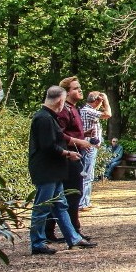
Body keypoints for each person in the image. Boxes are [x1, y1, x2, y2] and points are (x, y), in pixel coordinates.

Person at [27, 86, 94, 254]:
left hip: (54, 169)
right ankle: (37, 242)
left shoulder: (49, 117)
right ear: (59, 101)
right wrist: (68, 153)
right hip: (46, 169)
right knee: (42, 207)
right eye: (64, 102)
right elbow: (48, 146)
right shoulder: (43, 118)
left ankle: (73, 238)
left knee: (60, 205)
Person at [46, 77, 94, 243]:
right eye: (75, 88)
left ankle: (51, 232)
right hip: (69, 157)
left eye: (79, 87)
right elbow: (59, 134)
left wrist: (84, 134)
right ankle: (74, 231)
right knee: (73, 194)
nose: (80, 90)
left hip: (75, 154)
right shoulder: (64, 110)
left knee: (65, 194)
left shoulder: (74, 108)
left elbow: (69, 131)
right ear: (66, 93)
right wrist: (79, 141)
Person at [78, 91, 110, 207]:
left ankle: (85, 201)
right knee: (87, 174)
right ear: (96, 101)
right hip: (89, 145)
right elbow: (108, 114)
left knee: (87, 173)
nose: (101, 105)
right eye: (100, 102)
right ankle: (83, 203)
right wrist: (105, 100)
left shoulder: (86, 110)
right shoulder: (88, 111)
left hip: (90, 145)